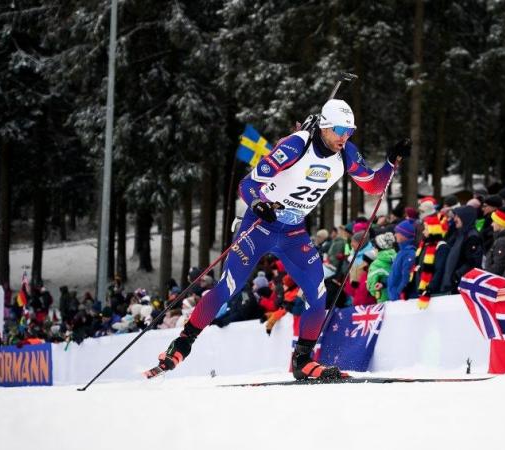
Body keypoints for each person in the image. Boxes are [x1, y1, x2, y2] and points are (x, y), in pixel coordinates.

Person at [147, 99, 411, 380]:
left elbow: (373, 185)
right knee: (230, 287)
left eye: (350, 130)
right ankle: (182, 344)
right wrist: (258, 203)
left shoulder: (345, 153)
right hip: (261, 224)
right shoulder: (296, 146)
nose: (344, 136)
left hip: (293, 231)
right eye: (338, 129)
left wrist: (390, 162)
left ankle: (303, 360)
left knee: (318, 294)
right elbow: (247, 185)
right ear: (323, 126)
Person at [440, 206, 483, 294]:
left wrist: (457, 276)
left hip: (462, 285)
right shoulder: (459, 234)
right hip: (452, 284)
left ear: (465, 217)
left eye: (457, 216)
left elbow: (473, 262)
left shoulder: (472, 237)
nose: (454, 219)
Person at [386, 219, 417, 300]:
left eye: (397, 232)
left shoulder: (409, 253)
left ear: (405, 235)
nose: (395, 235)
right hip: (394, 297)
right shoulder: (401, 252)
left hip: (400, 299)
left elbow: (406, 277)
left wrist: (399, 293)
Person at [483, 206, 505, 276]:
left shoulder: (503, 242)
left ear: (500, 223)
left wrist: (487, 277)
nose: (491, 224)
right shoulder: (502, 238)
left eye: (494, 221)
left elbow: (498, 267)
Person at [366, 232, 397, 302]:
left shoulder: (376, 264)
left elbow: (371, 286)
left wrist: (372, 290)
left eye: (374, 247)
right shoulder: (397, 257)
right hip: (398, 297)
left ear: (377, 248)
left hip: (383, 298)